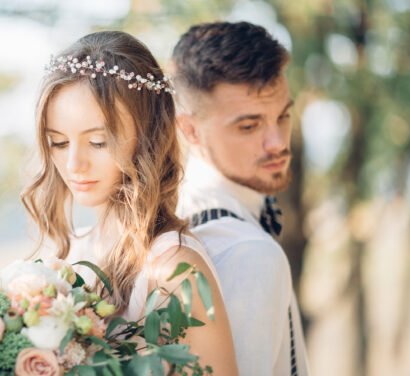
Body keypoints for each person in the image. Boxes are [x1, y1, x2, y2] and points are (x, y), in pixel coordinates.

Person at [20, 31, 238, 375]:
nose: (74, 163)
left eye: (97, 141)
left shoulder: (174, 270)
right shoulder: (68, 254)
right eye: (59, 143)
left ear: (148, 136)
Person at [172, 21, 310, 375]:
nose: (277, 142)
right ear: (190, 130)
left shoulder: (176, 214)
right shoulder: (247, 253)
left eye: (283, 116)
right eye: (249, 126)